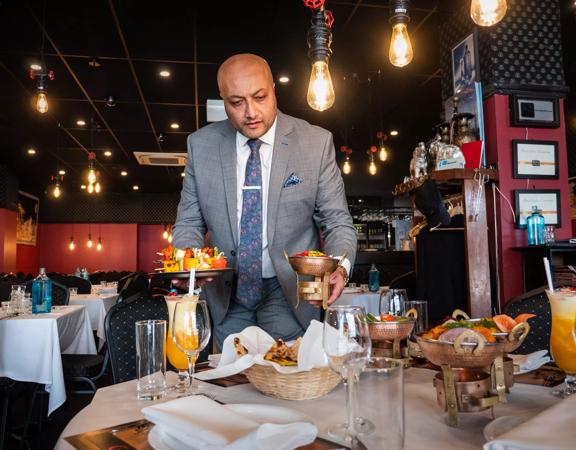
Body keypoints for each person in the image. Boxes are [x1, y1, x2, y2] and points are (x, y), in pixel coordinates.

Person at [172, 53, 357, 348]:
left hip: (289, 295)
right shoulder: (200, 146)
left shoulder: (315, 143)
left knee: (290, 382)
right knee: (231, 385)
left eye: (260, 97)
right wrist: (186, 263)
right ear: (223, 100)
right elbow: (188, 224)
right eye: (236, 102)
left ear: (274, 88)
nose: (251, 112)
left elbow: (338, 222)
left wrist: (340, 266)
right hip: (226, 296)